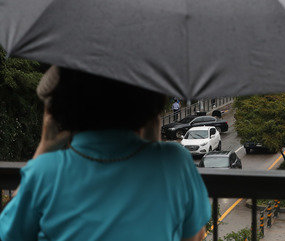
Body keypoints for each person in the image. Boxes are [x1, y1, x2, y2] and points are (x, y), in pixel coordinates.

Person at [0, 66, 210, 241]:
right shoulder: (174, 162)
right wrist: (153, 144)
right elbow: (194, 235)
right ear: (149, 100)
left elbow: (8, 234)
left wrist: (44, 148)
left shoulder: (45, 173)